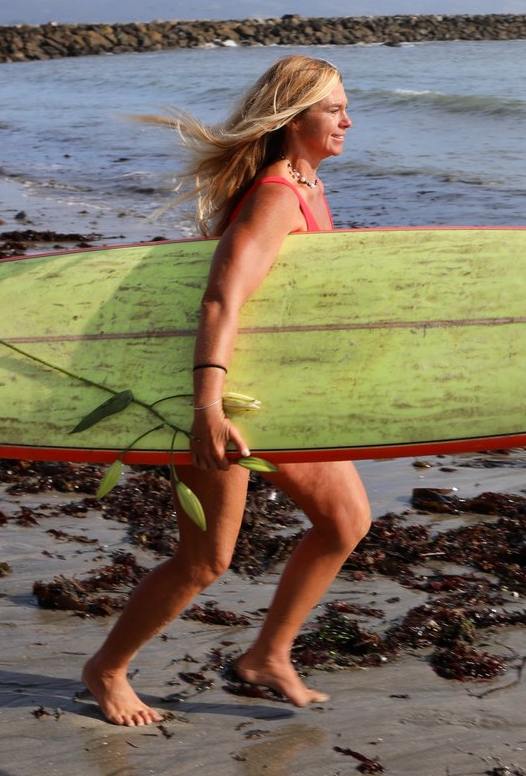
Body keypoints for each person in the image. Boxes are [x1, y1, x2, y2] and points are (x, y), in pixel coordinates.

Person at [81, 55, 370, 726]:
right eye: (333, 109)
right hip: (229, 401)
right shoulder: (276, 195)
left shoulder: (310, 183)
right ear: (294, 118)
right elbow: (220, 300)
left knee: (345, 521)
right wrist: (207, 408)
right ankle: (107, 669)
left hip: (275, 396)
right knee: (205, 560)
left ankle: (267, 655)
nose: (348, 120)